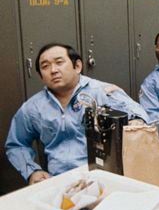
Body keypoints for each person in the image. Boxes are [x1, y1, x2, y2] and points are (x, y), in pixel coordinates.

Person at [5, 43, 149, 185]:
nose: (53, 70)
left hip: (102, 176)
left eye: (59, 62)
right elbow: (16, 144)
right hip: (57, 181)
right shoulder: (33, 107)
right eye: (45, 66)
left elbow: (137, 113)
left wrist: (136, 121)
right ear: (41, 76)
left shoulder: (100, 91)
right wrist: (31, 171)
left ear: (77, 66)